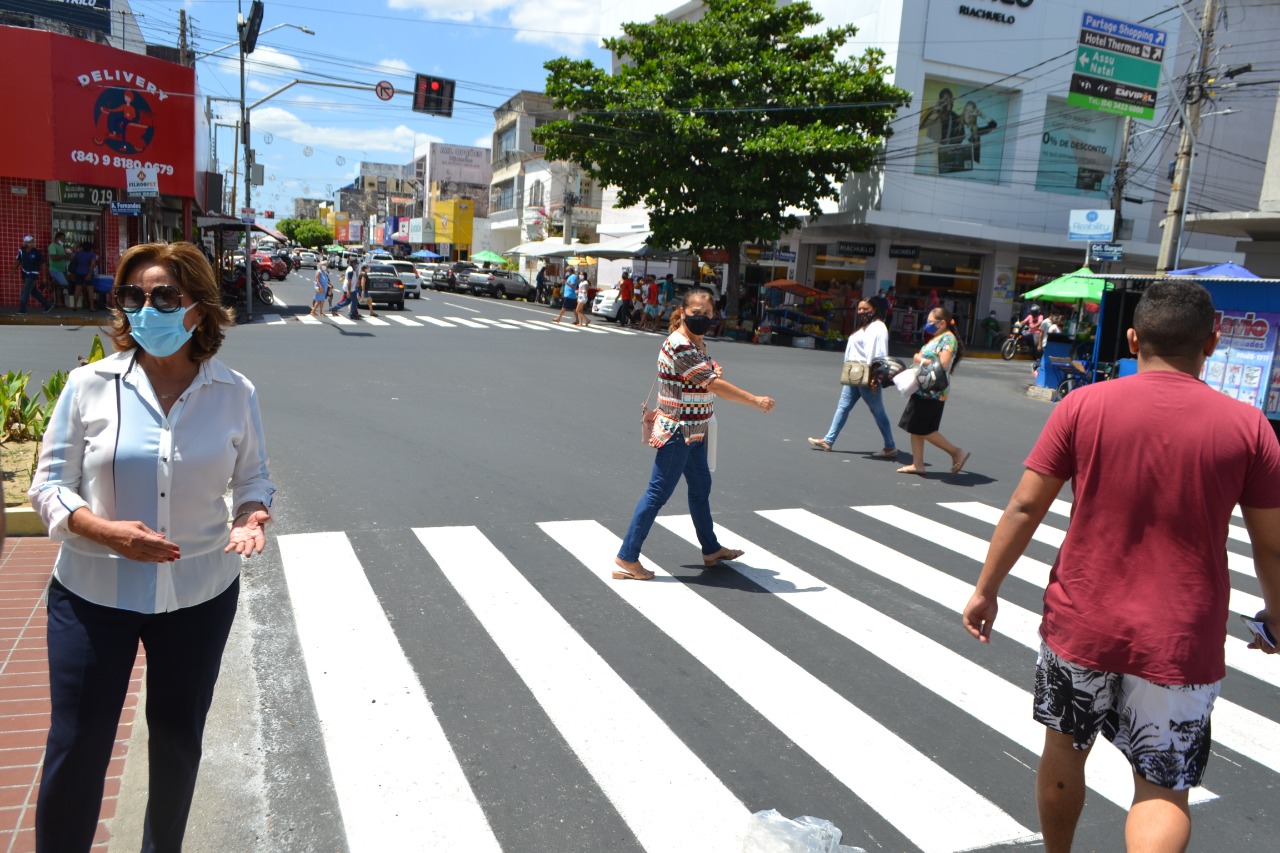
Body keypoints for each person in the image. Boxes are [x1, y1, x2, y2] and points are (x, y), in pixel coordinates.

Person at [961, 280, 1280, 853]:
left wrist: (987, 589)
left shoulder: (1084, 405)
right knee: (1162, 788)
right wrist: (1277, 617)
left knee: (1064, 750)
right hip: (1180, 638)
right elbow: (1272, 546)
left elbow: (1026, 505)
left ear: (1132, 340)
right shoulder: (1249, 428)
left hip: (1083, 621)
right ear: (1211, 343)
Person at [27, 241, 275, 852]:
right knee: (78, 743)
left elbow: (253, 478)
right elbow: (48, 486)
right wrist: (104, 531)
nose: (147, 309)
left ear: (198, 307)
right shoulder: (90, 385)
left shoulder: (234, 392)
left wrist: (253, 516)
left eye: (163, 296)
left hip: (198, 595)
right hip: (93, 595)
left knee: (176, 739)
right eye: (133, 296)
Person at [614, 288, 777, 581]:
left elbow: (704, 379)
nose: (701, 317)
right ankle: (627, 557)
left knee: (701, 487)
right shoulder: (681, 345)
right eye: (695, 313)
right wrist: (754, 400)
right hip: (678, 431)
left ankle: (711, 548)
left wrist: (711, 372)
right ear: (683, 311)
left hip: (696, 430)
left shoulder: (695, 343)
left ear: (714, 314)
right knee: (657, 493)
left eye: (706, 313)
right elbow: (712, 384)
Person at [807, 300, 898, 458]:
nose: (861, 311)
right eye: (859, 308)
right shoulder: (866, 326)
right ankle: (828, 441)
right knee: (843, 407)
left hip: (867, 373)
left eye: (866, 308)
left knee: (877, 410)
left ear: (875, 309)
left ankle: (890, 446)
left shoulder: (878, 327)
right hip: (854, 372)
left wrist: (875, 377)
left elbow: (878, 353)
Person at [897, 305, 969, 475]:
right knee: (914, 426)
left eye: (930, 322)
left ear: (942, 323)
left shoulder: (948, 339)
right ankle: (917, 464)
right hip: (923, 387)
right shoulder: (937, 337)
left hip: (933, 390)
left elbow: (942, 364)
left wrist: (920, 360)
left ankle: (956, 452)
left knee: (924, 429)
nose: (927, 324)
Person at [15, 235, 53, 314]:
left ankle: (23, 309)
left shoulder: (36, 252)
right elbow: (18, 261)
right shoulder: (21, 251)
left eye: (32, 242)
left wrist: (44, 277)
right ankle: (48, 305)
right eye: (29, 242)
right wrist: (13, 270)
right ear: (25, 243)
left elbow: (43, 264)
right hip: (25, 274)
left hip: (33, 274)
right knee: (34, 292)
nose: (32, 244)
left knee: (25, 291)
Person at [69, 242, 100, 312]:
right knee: (90, 290)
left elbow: (73, 261)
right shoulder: (92, 254)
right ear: (91, 248)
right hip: (87, 273)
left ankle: (75, 306)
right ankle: (91, 307)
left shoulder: (78, 254)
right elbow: (93, 264)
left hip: (78, 273)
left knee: (77, 289)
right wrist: (89, 274)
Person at [47, 232, 70, 308]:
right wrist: (64, 256)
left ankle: (59, 302)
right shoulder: (52, 246)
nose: (63, 240)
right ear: (58, 238)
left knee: (60, 286)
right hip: (55, 269)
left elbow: (64, 257)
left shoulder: (61, 246)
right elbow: (53, 258)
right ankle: (51, 283)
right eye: (62, 239)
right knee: (64, 283)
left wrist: (67, 256)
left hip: (61, 269)